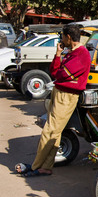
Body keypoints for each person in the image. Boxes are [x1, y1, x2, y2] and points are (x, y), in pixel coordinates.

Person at [15, 24, 91, 177]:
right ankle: (45, 167)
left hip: (67, 96)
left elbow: (62, 74)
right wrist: (58, 54)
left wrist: (60, 66)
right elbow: (55, 72)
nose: (61, 40)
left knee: (49, 131)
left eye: (62, 37)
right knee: (55, 133)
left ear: (68, 37)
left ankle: (36, 165)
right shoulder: (70, 53)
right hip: (60, 93)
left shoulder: (82, 54)